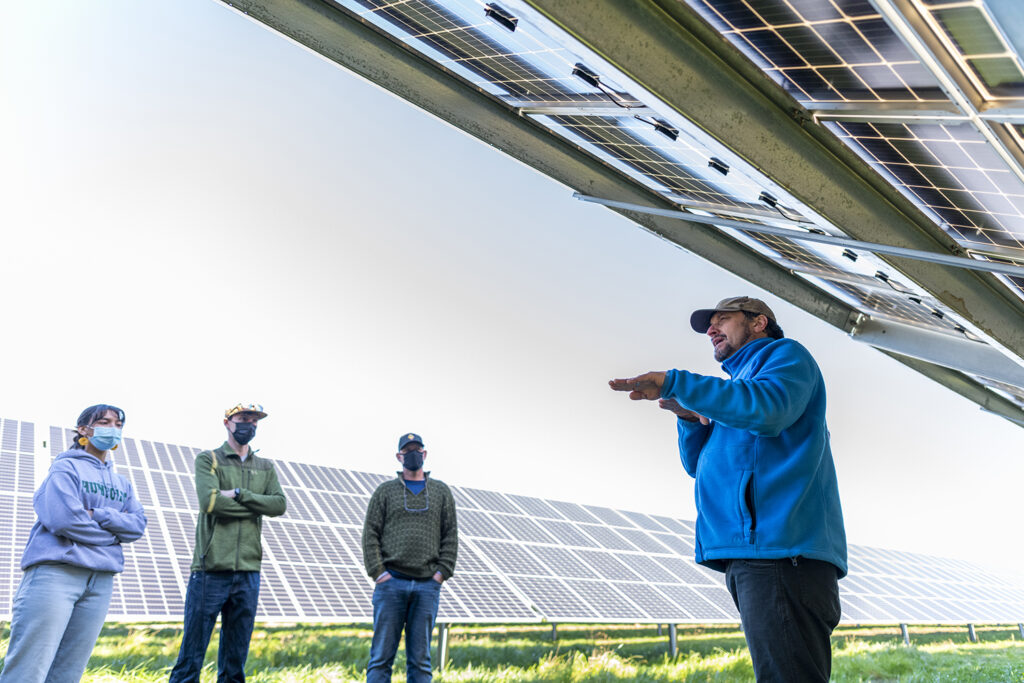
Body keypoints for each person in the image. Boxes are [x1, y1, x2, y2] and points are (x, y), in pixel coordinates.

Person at [610, 296, 846, 682]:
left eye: (723, 319)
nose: (711, 329)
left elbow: (768, 412)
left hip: (780, 553)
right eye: (709, 325)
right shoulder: (734, 393)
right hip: (752, 555)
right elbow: (699, 466)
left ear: (758, 323)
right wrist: (690, 419)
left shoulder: (784, 357)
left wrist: (677, 382)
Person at [0, 404, 147, 683]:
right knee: (29, 669)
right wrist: (112, 536)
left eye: (118, 424)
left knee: (69, 671)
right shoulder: (64, 468)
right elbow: (65, 520)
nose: (112, 429)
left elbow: (138, 525)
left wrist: (98, 514)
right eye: (104, 422)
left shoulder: (122, 483)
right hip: (56, 573)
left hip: (100, 580)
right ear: (83, 430)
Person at [168, 403, 286, 683]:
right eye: (244, 418)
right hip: (210, 569)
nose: (250, 424)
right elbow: (210, 503)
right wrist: (257, 507)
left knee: (236, 659)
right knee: (191, 655)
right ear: (227, 422)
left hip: (248, 571)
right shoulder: (209, 459)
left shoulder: (265, 467)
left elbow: (279, 505)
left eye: (255, 420)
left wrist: (238, 494)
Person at [362, 432, 458, 683]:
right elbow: (371, 533)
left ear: (424, 454)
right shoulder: (384, 492)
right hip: (391, 583)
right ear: (399, 456)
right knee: (381, 658)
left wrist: (440, 574)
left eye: (417, 450)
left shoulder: (441, 492)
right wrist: (379, 573)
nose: (413, 454)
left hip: (427, 586)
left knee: (420, 661)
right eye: (408, 451)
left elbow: (450, 534)